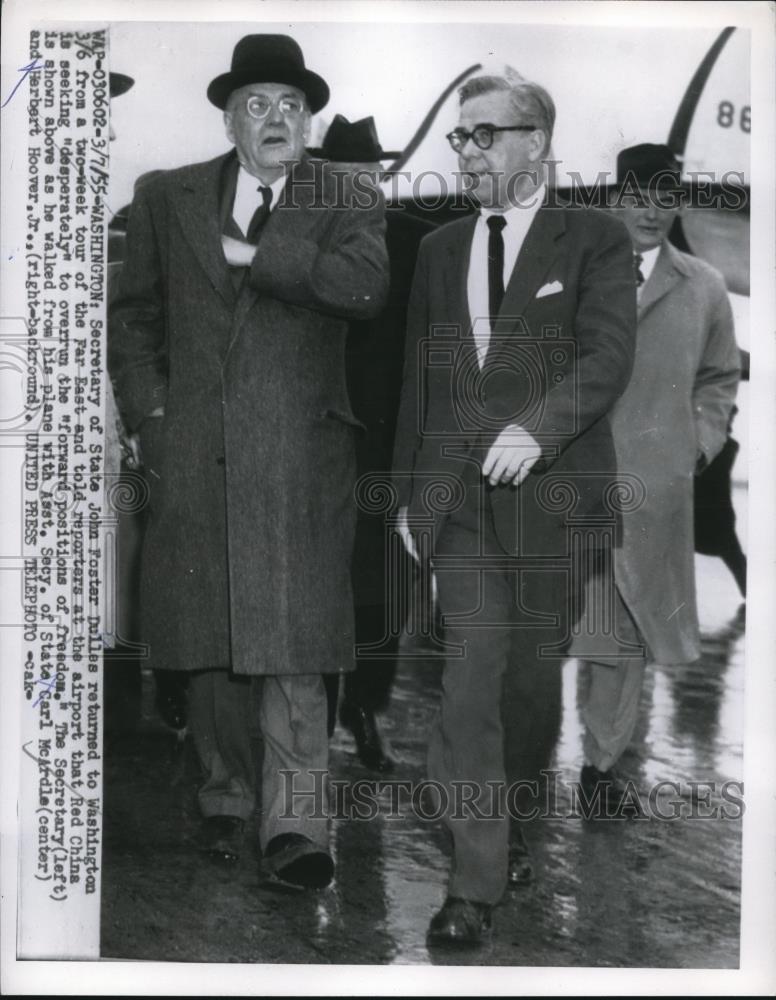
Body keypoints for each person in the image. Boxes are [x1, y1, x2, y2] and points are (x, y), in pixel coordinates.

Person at [108, 34, 389, 889]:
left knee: (295, 644)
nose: (277, 119)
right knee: (212, 641)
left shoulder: (347, 193)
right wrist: (152, 414)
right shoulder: (166, 195)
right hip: (192, 448)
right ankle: (228, 798)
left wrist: (253, 255)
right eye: (258, 104)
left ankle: (297, 827)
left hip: (302, 453)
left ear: (312, 119)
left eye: (293, 106)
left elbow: (364, 288)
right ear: (229, 117)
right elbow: (135, 318)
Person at [392, 72, 637, 946]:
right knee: (469, 674)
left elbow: (608, 358)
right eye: (457, 139)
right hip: (456, 499)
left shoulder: (596, 240)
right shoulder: (439, 248)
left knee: (529, 692)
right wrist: (409, 500)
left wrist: (539, 429)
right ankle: (474, 883)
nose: (464, 153)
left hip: (554, 501)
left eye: (482, 135)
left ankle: (514, 814)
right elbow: (421, 381)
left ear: (536, 140)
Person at [573, 143, 740, 807]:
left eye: (665, 195)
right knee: (562, 627)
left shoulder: (705, 285)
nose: (651, 209)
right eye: (638, 194)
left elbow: (719, 379)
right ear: (614, 198)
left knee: (624, 629)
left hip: (652, 487)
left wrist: (695, 446)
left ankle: (602, 767)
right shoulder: (574, 269)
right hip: (571, 480)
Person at [311, 115, 436, 771]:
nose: (353, 187)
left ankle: (364, 711)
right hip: (314, 447)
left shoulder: (421, 243)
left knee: (385, 591)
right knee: (316, 587)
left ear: (381, 177)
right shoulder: (298, 240)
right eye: (339, 177)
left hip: (393, 449)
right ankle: (316, 717)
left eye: (363, 176)